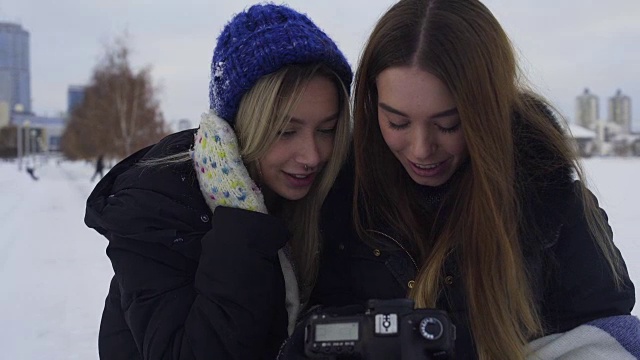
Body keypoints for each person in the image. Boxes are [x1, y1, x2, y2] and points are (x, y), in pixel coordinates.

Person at [283, 0, 636, 359]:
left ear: (490, 112)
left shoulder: (552, 205)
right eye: (398, 122)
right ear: (372, 106)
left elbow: (610, 334)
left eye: (449, 124)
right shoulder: (339, 195)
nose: (421, 150)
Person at [84, 4, 352, 359]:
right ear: (240, 127)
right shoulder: (156, 208)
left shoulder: (331, 194)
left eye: (327, 130)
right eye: (285, 131)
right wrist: (241, 225)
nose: (312, 156)